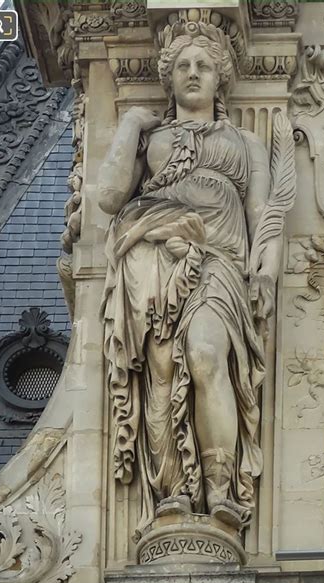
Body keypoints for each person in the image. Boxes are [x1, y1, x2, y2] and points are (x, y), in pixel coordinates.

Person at [99, 21, 286, 535]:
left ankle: (220, 492)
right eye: (182, 65)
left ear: (221, 75)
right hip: (152, 260)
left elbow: (263, 213)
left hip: (220, 260)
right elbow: (111, 199)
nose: (193, 73)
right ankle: (173, 495)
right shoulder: (152, 138)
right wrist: (131, 125)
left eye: (203, 64)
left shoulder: (244, 141)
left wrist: (266, 269)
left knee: (205, 356)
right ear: (169, 77)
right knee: (159, 371)